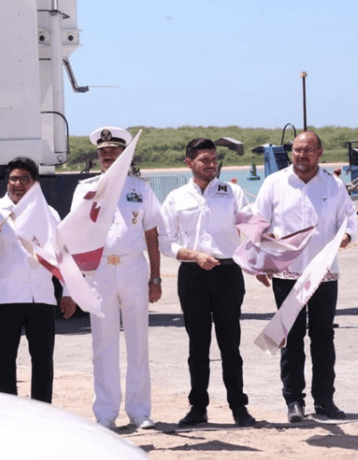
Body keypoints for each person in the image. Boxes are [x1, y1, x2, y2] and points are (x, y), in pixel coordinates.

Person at [254, 131, 357, 422]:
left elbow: (351, 220)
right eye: (297, 150)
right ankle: (293, 401)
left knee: (323, 337)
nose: (301, 155)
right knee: (291, 338)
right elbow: (257, 223)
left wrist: (347, 237)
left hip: (324, 275)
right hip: (287, 275)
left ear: (320, 152)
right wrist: (263, 260)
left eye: (308, 150)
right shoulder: (274, 183)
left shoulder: (334, 185)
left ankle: (324, 400)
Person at [159, 138, 255, 427]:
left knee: (230, 344)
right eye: (204, 160)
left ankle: (239, 407)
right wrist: (194, 256)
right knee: (198, 345)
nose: (212, 164)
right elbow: (166, 241)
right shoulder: (176, 198)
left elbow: (250, 225)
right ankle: (198, 407)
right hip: (192, 274)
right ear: (189, 163)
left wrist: (270, 249)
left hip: (227, 273)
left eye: (214, 159)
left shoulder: (232, 192)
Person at [77, 126, 162, 430]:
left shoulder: (140, 188)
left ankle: (140, 411)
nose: (108, 156)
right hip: (99, 271)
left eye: (114, 151)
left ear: (125, 154)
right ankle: (106, 412)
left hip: (132, 268)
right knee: (103, 342)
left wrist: (156, 277)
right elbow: (75, 235)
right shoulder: (85, 188)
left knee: (138, 342)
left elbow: (151, 232)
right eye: (103, 152)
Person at [0, 156, 77, 402]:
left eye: (25, 179)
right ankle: (8, 410)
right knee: (6, 358)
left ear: (35, 183)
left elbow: (62, 253)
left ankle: (43, 409)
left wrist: (68, 291)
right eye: (13, 179)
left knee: (43, 359)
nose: (18, 184)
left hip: (40, 296)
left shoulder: (49, 213)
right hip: (5, 297)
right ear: (6, 181)